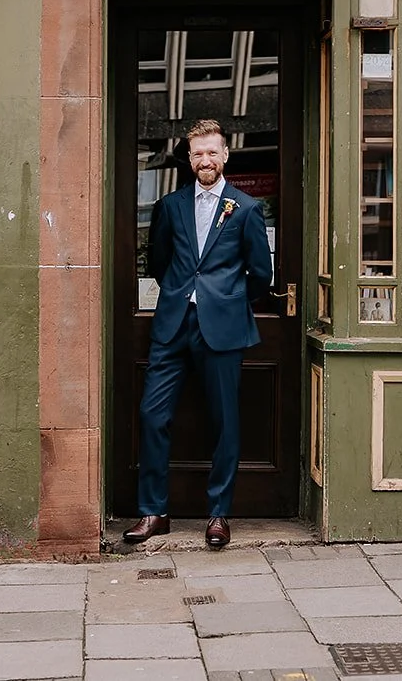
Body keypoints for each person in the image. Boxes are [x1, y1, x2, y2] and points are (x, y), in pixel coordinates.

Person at [124, 118, 272, 550]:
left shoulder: (245, 208)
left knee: (225, 422)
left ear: (225, 155)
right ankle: (154, 512)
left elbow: (260, 274)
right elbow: (159, 261)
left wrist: (226, 297)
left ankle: (219, 514)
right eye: (197, 153)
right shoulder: (170, 206)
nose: (205, 160)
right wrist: (179, 294)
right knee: (153, 415)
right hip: (172, 324)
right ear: (189, 159)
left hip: (223, 328)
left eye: (212, 152)